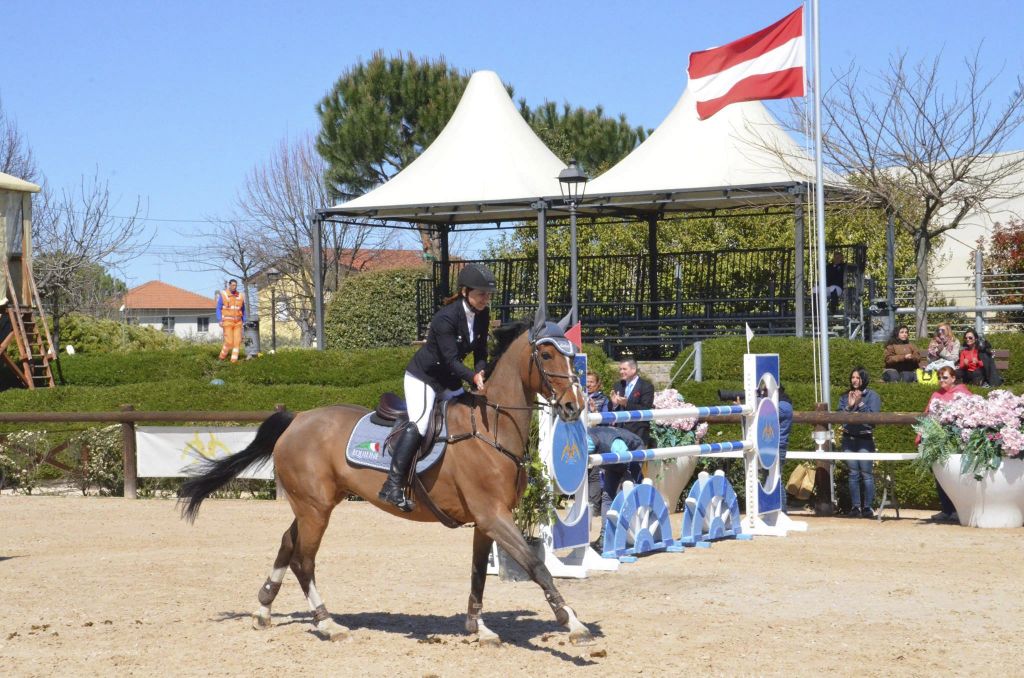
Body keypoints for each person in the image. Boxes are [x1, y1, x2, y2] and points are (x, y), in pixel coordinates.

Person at [378, 263, 496, 512]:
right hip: (424, 377)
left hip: (449, 378)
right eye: (481, 293)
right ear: (465, 292)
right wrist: (473, 378)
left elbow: (481, 351)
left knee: (469, 416)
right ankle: (392, 485)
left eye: (488, 294)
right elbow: (451, 360)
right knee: (420, 423)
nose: (486, 298)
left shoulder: (482, 314)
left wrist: (481, 370)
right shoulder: (445, 318)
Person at [916, 365, 972, 522]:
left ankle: (959, 510)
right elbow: (927, 416)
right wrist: (920, 435)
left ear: (953, 378)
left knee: (956, 476)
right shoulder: (935, 395)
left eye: (945, 377)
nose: (941, 380)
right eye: (940, 377)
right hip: (937, 442)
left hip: (956, 442)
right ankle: (947, 510)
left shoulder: (963, 393)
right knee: (940, 476)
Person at [587, 425, 644, 550]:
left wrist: (626, 476)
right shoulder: (588, 437)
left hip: (631, 454)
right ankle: (605, 535)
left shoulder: (613, 443)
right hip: (612, 460)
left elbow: (625, 455)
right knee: (607, 496)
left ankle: (629, 535)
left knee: (626, 495)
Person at [839, 367, 881, 518]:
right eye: (853, 377)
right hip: (848, 438)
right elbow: (839, 417)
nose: (854, 380)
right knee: (853, 474)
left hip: (865, 439)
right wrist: (849, 406)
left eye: (857, 377)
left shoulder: (873, 396)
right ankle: (855, 507)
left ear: (864, 379)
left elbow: (874, 418)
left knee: (867, 474)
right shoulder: (845, 396)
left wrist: (860, 403)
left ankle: (867, 507)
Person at [609, 357, 655, 446]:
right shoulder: (618, 385)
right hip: (619, 431)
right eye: (620, 369)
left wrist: (626, 403)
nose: (621, 372)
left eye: (624, 369)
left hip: (638, 431)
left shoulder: (646, 386)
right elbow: (611, 407)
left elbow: (645, 408)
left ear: (633, 369)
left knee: (638, 459)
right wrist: (614, 404)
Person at [584, 370, 609, 515]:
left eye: (591, 382)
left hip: (595, 439)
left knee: (594, 474)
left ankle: (593, 506)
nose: (588, 384)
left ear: (598, 384)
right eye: (586, 381)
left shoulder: (603, 400)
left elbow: (606, 421)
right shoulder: (578, 397)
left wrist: (594, 413)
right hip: (579, 439)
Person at [216, 279, 246, 363]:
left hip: (238, 322)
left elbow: (243, 309)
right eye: (233, 285)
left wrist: (244, 320)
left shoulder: (240, 296)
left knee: (237, 342)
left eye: (235, 285)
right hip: (227, 321)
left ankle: (233, 361)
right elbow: (218, 308)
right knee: (229, 342)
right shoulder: (224, 295)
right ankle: (221, 357)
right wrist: (219, 319)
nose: (234, 287)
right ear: (229, 285)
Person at [824, 251, 846, 315]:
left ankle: (833, 309)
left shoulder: (843, 266)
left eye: (839, 257)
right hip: (827, 287)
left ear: (842, 258)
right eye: (835, 257)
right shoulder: (828, 266)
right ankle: (815, 311)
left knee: (833, 288)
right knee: (815, 289)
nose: (837, 259)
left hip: (838, 287)